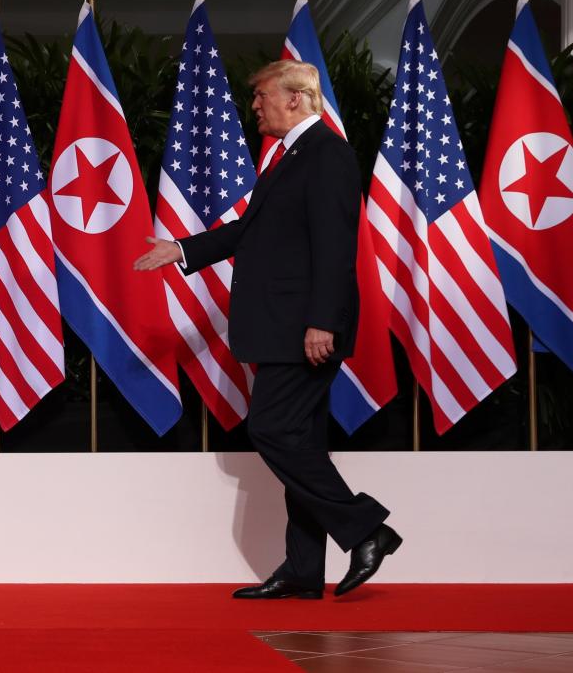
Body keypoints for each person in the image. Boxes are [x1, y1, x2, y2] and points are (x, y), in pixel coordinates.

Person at [134, 60, 401, 599]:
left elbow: (335, 245)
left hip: (303, 328)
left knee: (271, 431)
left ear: (297, 98)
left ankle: (367, 530)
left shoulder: (325, 154)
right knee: (299, 441)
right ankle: (304, 572)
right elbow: (250, 230)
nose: (255, 106)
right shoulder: (291, 157)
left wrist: (322, 321)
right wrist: (183, 249)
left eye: (263, 96)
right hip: (282, 326)